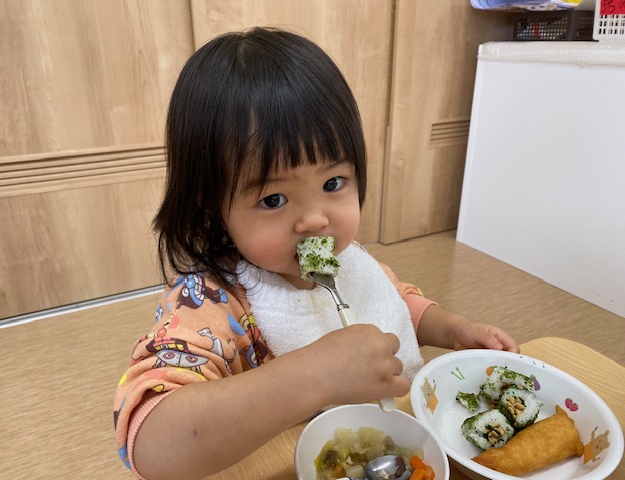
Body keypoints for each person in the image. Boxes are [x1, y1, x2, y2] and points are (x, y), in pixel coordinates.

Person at [113, 27, 519, 480]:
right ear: (212, 207)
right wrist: (313, 375)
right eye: (272, 199)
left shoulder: (349, 261)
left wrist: (454, 329)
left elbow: (395, 301)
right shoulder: (209, 302)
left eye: (332, 183)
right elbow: (149, 442)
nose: (314, 220)